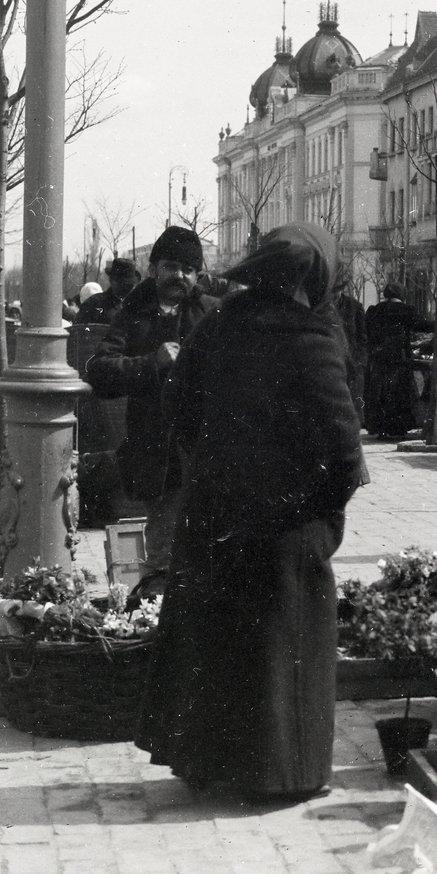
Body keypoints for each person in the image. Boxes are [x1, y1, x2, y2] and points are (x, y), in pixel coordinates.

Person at [138, 223, 364, 800]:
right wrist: (319, 511)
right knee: (281, 649)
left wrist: (212, 472)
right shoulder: (312, 336)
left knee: (216, 642)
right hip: (287, 525)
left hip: (215, 513)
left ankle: (208, 764)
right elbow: (344, 448)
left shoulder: (217, 325)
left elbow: (178, 407)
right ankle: (280, 776)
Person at [86, 227, 217, 592]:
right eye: (171, 266)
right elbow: (100, 370)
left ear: (198, 273)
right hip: (159, 456)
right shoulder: (134, 312)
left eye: (188, 269)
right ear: (155, 267)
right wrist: (151, 362)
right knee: (163, 559)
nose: (179, 275)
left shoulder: (212, 313)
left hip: (209, 453)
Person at [365, 284, 429, 438]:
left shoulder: (374, 311)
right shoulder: (407, 311)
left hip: (379, 359)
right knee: (399, 391)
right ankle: (398, 428)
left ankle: (380, 427)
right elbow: (424, 326)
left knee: (381, 391)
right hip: (399, 358)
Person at [332, 271, 368, 425]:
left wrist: (360, 360)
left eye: (337, 289)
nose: (334, 293)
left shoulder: (354, 307)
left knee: (354, 398)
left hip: (352, 361)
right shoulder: (320, 307)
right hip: (331, 360)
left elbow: (363, 337)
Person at [78, 259, 140, 325]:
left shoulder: (137, 306)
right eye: (123, 284)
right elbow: (79, 331)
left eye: (130, 285)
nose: (127, 288)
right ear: (111, 280)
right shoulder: (94, 304)